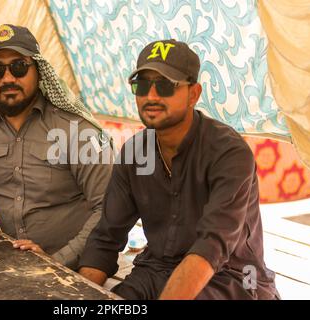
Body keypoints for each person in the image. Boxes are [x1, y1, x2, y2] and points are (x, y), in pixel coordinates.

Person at [78, 39, 280, 299]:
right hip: (155, 270)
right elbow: (107, 236)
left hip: (231, 277)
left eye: (164, 85)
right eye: (142, 85)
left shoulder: (228, 153)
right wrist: (79, 297)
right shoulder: (135, 152)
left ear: (194, 94)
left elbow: (212, 246)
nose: (151, 96)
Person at [0, 24, 113, 270]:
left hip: (78, 266)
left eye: (19, 67)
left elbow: (108, 210)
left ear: (38, 70)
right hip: (14, 264)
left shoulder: (78, 130)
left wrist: (56, 262)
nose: (7, 78)